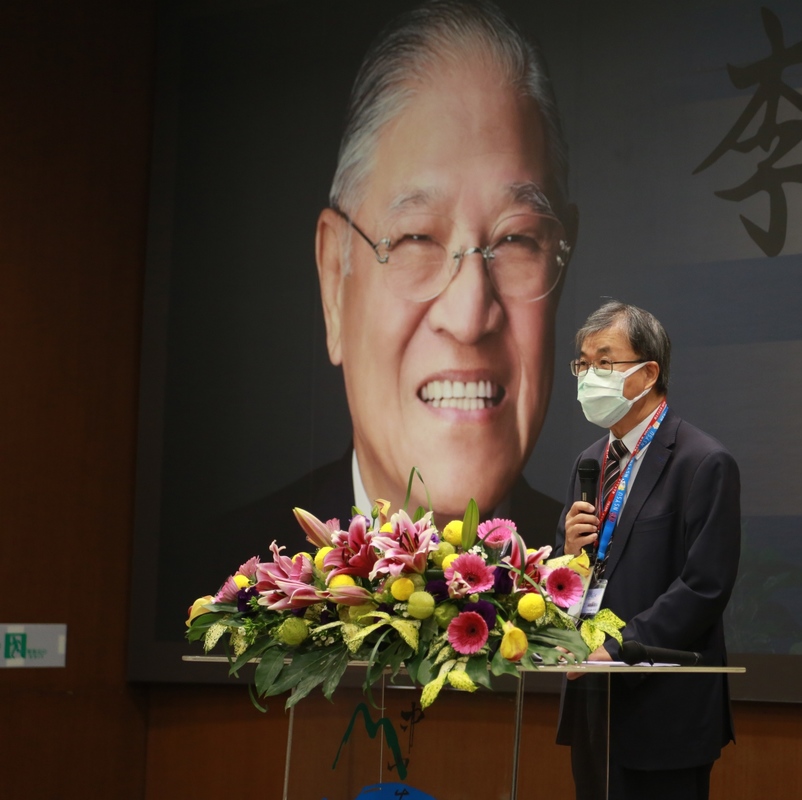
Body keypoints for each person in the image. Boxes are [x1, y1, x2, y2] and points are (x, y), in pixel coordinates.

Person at [212, 0, 574, 572]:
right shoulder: (216, 585)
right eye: (415, 239)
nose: (469, 312)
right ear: (335, 279)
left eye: (516, 241)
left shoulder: (624, 594)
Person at [555, 301, 741, 800]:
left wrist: (618, 648)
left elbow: (705, 585)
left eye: (605, 361)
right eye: (583, 362)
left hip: (661, 699)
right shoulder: (589, 462)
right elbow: (583, 575)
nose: (589, 375)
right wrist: (568, 555)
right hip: (594, 696)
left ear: (648, 371)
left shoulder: (703, 462)